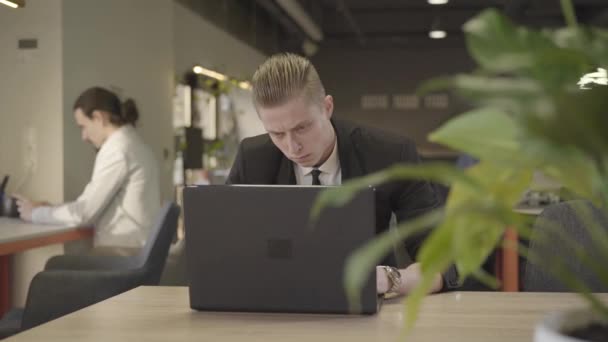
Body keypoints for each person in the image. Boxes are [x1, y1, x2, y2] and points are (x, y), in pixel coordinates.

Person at [228, 53, 459, 296]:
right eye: (276, 133)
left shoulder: (389, 155)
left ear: (327, 107)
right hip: (276, 302)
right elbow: (225, 246)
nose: (292, 147)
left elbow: (444, 263)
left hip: (366, 306)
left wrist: (389, 279)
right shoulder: (252, 158)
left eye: (302, 128)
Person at [15, 87, 160, 255]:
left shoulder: (117, 150)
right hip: (139, 249)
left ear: (99, 118)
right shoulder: (135, 144)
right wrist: (52, 208)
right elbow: (94, 206)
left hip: (123, 254)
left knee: (53, 268)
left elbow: (84, 213)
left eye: (83, 126)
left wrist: (34, 214)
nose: (84, 136)